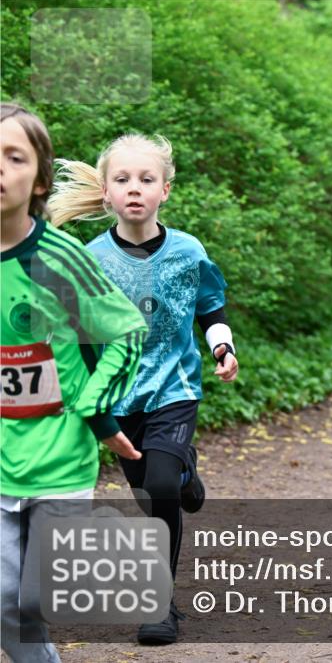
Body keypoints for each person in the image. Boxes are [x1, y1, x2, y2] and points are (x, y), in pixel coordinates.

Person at [49, 133, 239, 645]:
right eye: (123, 180)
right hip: (119, 396)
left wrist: (223, 349)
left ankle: (161, 603)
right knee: (152, 492)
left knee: (157, 485)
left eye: (146, 180)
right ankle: (185, 473)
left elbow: (211, 308)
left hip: (174, 387)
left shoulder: (187, 252)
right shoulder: (88, 259)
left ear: (166, 190)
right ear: (107, 193)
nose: (135, 189)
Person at [1, 103, 148, 662]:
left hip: (60, 458)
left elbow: (126, 334)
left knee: (36, 601)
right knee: (3, 606)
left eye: (13, 158)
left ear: (37, 179)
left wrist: (95, 410)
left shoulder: (58, 259)